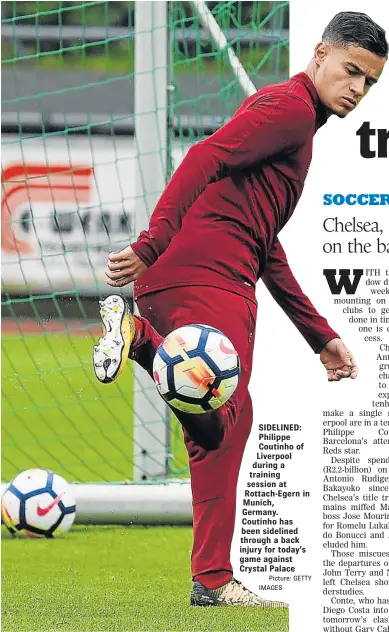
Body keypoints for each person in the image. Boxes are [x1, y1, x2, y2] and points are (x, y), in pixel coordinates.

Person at [93, 12, 387, 607]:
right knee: (225, 422)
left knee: (223, 425)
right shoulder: (291, 110)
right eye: (351, 70)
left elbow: (266, 244)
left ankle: (212, 580)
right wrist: (151, 243)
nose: (356, 88)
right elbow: (205, 156)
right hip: (206, 275)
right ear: (321, 53)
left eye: (370, 82)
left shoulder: (296, 123)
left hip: (195, 275)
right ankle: (143, 340)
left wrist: (318, 335)